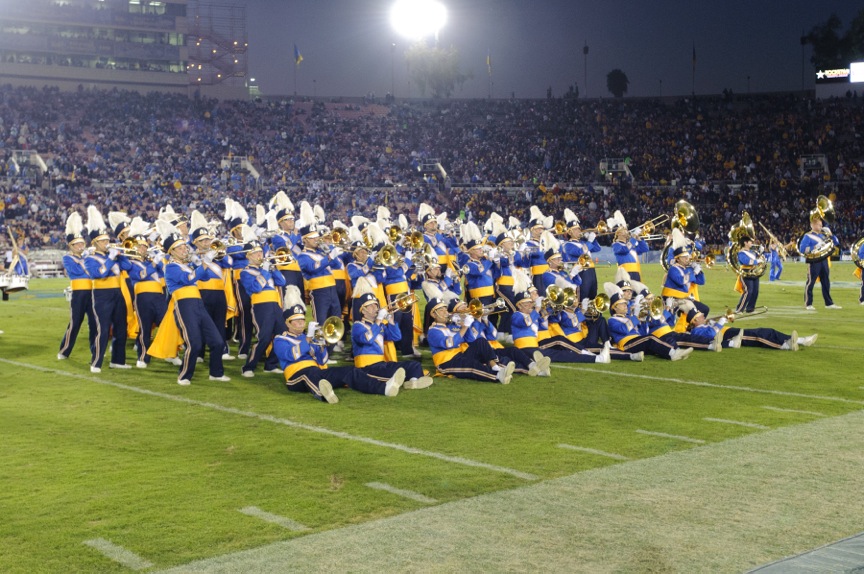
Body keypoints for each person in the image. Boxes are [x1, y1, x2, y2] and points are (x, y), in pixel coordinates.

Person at [273, 286, 405, 403]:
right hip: (295, 376)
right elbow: (292, 355)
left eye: (302, 320)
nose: (301, 323)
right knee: (309, 375)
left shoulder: (308, 337)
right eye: (296, 321)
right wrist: (308, 339)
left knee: (350, 371)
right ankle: (323, 394)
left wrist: (321, 345)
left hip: (317, 371)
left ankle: (384, 388)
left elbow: (322, 360)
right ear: (287, 323)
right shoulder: (280, 340)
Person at [152, 220, 229, 385]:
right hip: (184, 305)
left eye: (184, 247)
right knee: (194, 342)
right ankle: (184, 375)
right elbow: (188, 279)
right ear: (172, 252)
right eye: (180, 248)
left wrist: (200, 262)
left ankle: (216, 373)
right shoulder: (171, 267)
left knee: (217, 341)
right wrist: (204, 263)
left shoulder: (187, 266)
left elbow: (206, 277)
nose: (184, 249)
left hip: (198, 303)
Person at [83, 205, 133, 373]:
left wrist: (120, 254)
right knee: (103, 329)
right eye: (103, 241)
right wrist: (111, 258)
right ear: (95, 242)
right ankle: (96, 362)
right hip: (102, 295)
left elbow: (128, 266)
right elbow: (99, 274)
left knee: (121, 327)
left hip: (117, 293)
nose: (107, 243)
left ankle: (118, 361)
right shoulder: (90, 258)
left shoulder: (111, 255)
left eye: (107, 240)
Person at [351, 290, 433, 389]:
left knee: (414, 365)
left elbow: (396, 337)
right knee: (398, 371)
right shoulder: (358, 325)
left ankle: (413, 382)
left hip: (381, 364)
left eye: (376, 305)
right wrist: (379, 320)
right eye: (371, 306)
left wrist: (390, 320)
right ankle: (413, 378)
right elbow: (368, 339)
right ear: (363, 311)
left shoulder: (379, 326)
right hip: (366, 367)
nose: (375, 308)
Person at [426, 297, 516, 383]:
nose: (446, 313)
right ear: (433, 314)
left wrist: (468, 322)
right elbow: (450, 344)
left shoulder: (450, 326)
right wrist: (465, 326)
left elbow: (471, 339)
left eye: (446, 309)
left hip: (459, 355)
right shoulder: (433, 331)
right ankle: (498, 376)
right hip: (446, 362)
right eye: (441, 310)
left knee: (480, 341)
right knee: (471, 365)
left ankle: (495, 366)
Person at [239, 232, 287, 377]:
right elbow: (255, 288)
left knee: (282, 334)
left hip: (274, 303)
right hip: (261, 305)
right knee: (264, 337)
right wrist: (265, 271)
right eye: (256, 253)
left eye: (260, 251)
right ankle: (248, 367)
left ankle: (271, 364)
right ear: (248, 256)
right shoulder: (245, 272)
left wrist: (273, 269)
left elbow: (282, 282)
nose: (260, 255)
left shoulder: (266, 269)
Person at [605, 282, 693, 361]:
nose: (625, 305)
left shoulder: (629, 317)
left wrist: (643, 321)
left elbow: (644, 333)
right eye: (622, 304)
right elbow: (623, 329)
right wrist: (636, 316)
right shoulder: (612, 320)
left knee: (654, 346)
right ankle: (673, 354)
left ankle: (675, 352)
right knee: (650, 338)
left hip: (636, 341)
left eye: (625, 303)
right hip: (626, 345)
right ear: (615, 307)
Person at [57, 211, 97, 361]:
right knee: (75, 323)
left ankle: (96, 350)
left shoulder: (88, 256)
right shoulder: (67, 258)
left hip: (93, 292)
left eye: (82, 243)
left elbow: (95, 273)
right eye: (77, 244)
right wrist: (88, 261)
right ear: (71, 246)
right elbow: (77, 272)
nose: (81, 246)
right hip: (79, 293)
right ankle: (64, 351)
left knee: (94, 323)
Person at [687, 308, 817, 351]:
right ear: (695, 321)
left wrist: (713, 323)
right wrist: (719, 322)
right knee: (759, 336)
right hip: (727, 335)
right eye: (701, 316)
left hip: (727, 331)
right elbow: (710, 335)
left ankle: (798, 340)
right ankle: (786, 345)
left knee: (766, 331)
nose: (704, 316)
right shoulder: (695, 331)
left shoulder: (703, 325)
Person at [798, 208, 841, 310]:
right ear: (812, 225)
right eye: (818, 225)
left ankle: (829, 303)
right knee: (811, 282)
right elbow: (803, 249)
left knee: (826, 282)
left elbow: (836, 243)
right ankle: (808, 304)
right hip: (814, 261)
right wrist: (816, 247)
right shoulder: (807, 236)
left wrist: (831, 234)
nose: (821, 226)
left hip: (824, 260)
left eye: (821, 225)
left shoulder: (823, 235)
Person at [560, 208, 601, 299]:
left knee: (593, 295)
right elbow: (581, 252)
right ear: (570, 232)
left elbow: (598, 248)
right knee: (583, 296)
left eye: (579, 229)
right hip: (581, 272)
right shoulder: (568, 245)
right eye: (576, 230)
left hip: (591, 271)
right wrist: (589, 241)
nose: (579, 231)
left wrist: (592, 239)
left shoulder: (582, 242)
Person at [607, 210, 649, 282]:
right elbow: (625, 250)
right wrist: (633, 239)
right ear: (619, 233)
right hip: (625, 272)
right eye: (624, 230)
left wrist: (639, 239)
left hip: (636, 272)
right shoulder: (616, 245)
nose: (627, 231)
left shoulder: (631, 246)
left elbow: (645, 249)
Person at [733, 235, 762, 313]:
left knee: (755, 291)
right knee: (748, 291)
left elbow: (756, 261)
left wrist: (760, 258)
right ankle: (740, 309)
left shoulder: (752, 252)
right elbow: (746, 262)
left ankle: (750, 308)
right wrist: (757, 261)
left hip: (754, 273)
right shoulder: (741, 253)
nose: (752, 243)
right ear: (745, 243)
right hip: (745, 272)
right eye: (750, 242)